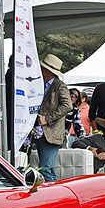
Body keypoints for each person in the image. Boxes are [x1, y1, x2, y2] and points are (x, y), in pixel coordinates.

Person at [34, 54, 72, 182]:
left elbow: (68, 105)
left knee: (45, 168)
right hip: (42, 132)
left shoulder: (60, 85)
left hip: (51, 133)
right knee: (45, 168)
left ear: (48, 71)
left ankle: (55, 194)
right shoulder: (42, 84)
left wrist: (48, 118)